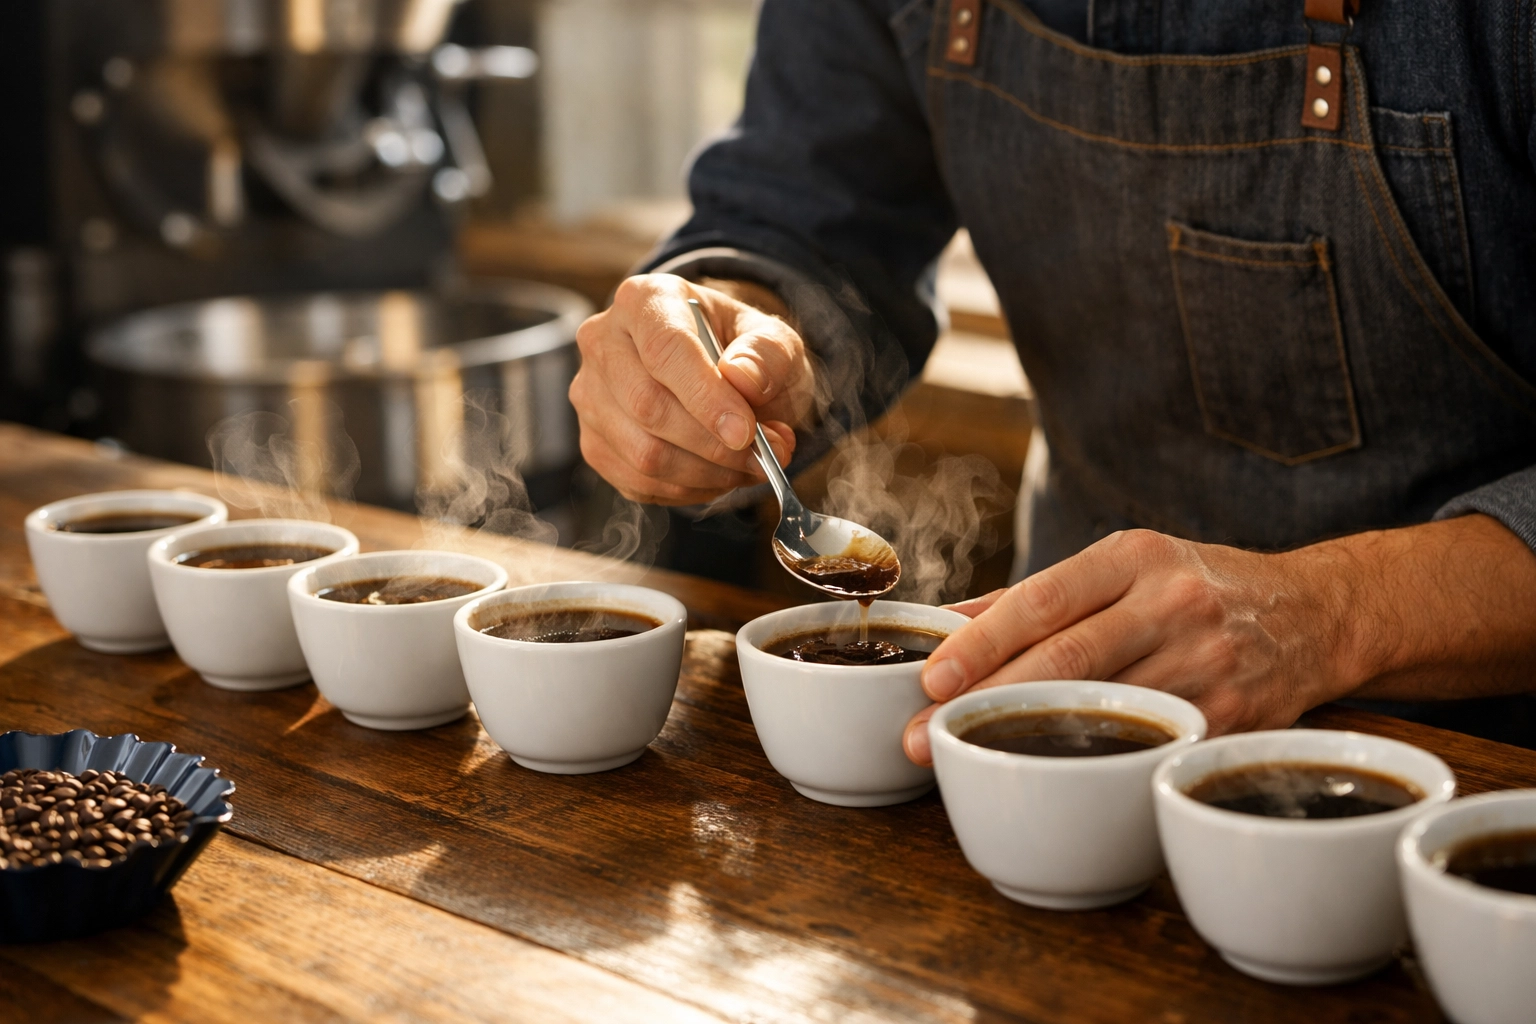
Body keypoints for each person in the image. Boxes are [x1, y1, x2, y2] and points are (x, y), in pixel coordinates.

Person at [568, 0, 1536, 758]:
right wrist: (731, 327)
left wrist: (1328, 613)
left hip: (1482, 762)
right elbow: (804, 212)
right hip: (1068, 722)